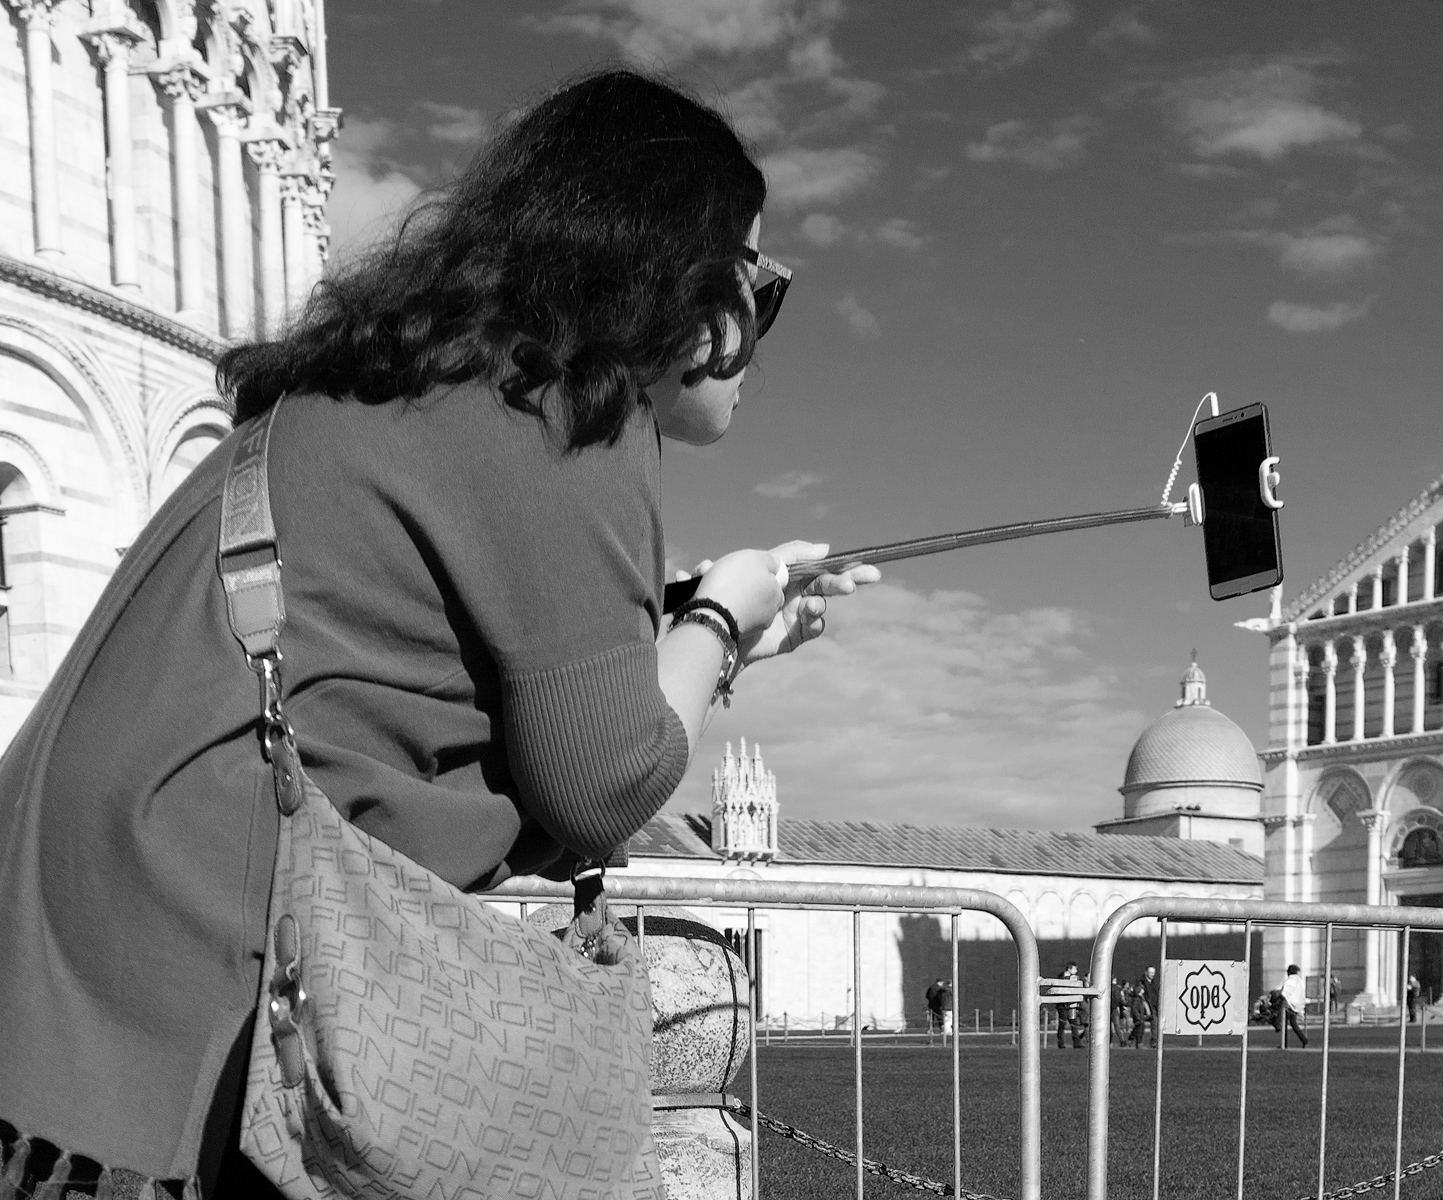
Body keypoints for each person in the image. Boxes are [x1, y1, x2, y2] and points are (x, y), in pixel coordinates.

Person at [0, 68, 878, 1198]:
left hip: (69, 913)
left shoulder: (428, 377)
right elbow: (601, 783)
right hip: (188, 947)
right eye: (762, 282)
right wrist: (719, 617)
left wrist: (711, 633)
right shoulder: (571, 401)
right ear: (682, 274)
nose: (761, 322)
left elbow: (436, 649)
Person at [1056, 961, 1088, 1049]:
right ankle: (1061, 1043)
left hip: (1072, 1004)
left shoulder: (1075, 978)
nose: (1076, 970)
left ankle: (1076, 1043)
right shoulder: (1061, 978)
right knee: (1062, 1024)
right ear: (1069, 969)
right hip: (1062, 1005)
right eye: (1074, 968)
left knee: (1074, 1024)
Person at [1277, 964, 1310, 1049]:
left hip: (1289, 1006)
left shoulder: (1290, 981)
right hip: (1297, 1006)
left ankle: (1284, 1043)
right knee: (1293, 1024)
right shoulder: (1300, 982)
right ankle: (1304, 1040)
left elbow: (1284, 993)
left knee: (1284, 1023)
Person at [1129, 983, 1154, 1049]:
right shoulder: (1137, 999)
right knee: (1140, 1030)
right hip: (1139, 1018)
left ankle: (1131, 1040)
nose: (1143, 990)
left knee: (1137, 1029)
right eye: (1142, 989)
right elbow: (1134, 1009)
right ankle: (1139, 1043)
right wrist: (1138, 1017)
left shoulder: (1140, 998)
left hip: (1141, 1017)